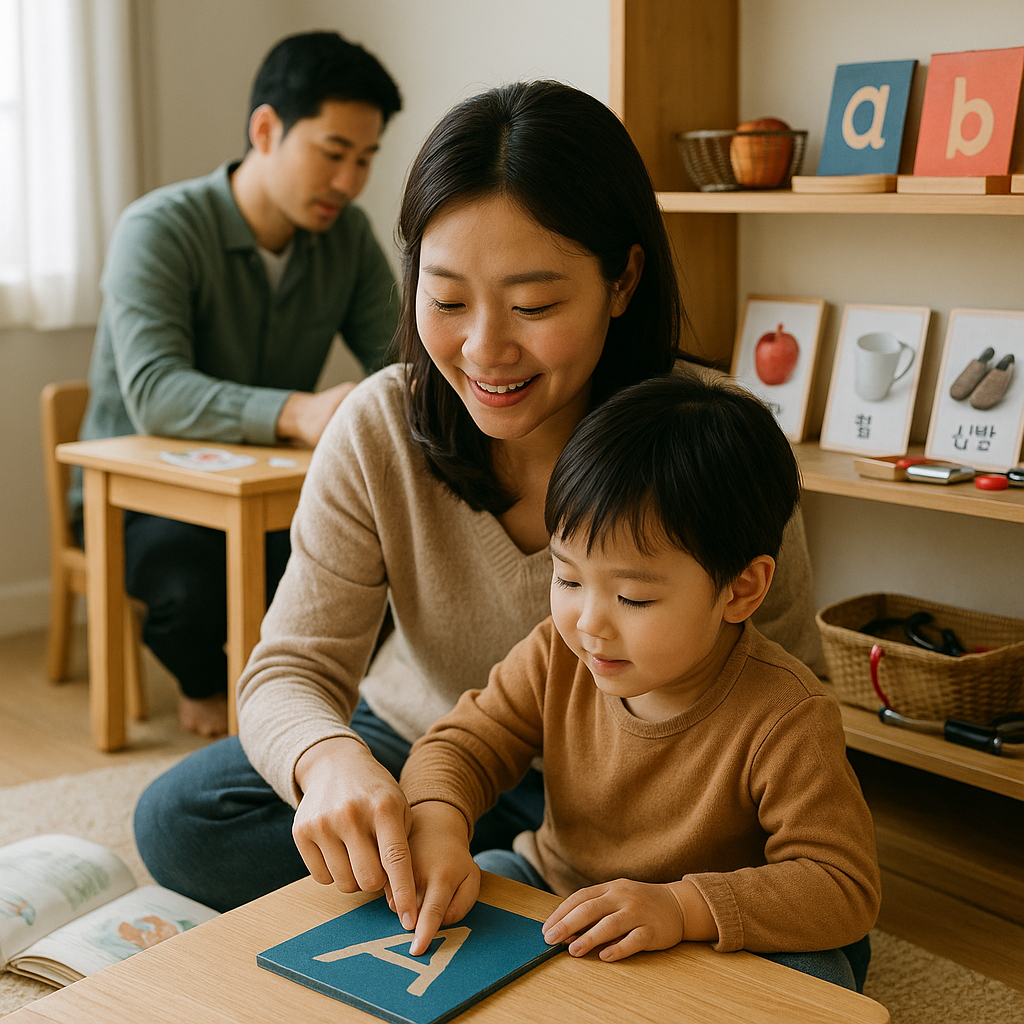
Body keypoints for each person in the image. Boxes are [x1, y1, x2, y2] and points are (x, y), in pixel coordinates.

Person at [133, 80, 826, 915]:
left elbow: (791, 691)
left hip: (642, 785)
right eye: (448, 299)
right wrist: (330, 763)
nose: (485, 349)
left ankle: (498, 891)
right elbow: (290, 667)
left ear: (622, 279)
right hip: (434, 750)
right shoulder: (379, 426)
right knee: (184, 819)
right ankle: (491, 891)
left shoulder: (715, 442)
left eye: (534, 304)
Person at [396, 373, 881, 992]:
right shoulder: (557, 651)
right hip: (564, 896)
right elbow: (461, 744)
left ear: (741, 589)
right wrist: (435, 817)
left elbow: (842, 884)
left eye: (632, 596)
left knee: (822, 975)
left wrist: (681, 909)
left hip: (714, 932)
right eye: (568, 580)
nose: (589, 622)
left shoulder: (788, 714)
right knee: (481, 878)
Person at [73, 32, 402, 736]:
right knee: (189, 589)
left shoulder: (348, 239)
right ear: (265, 130)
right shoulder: (159, 229)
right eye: (334, 152)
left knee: (378, 563)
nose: (349, 182)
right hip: (138, 495)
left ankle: (315, 704)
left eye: (366, 159)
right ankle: (203, 684)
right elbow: (157, 392)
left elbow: (400, 359)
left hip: (269, 488)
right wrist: (301, 411)